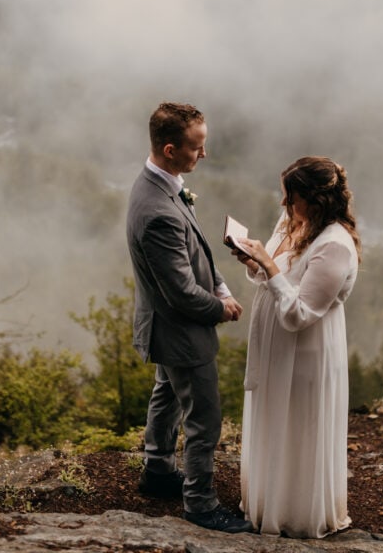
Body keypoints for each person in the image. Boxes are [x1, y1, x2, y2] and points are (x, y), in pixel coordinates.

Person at [125, 102, 253, 534]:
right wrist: (222, 308)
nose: (205, 154)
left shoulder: (162, 183)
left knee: (165, 394)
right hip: (179, 329)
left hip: (164, 325)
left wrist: (221, 285)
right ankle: (200, 503)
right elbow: (179, 292)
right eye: (197, 147)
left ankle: (157, 470)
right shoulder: (158, 211)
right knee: (204, 418)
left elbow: (196, 249)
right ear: (168, 148)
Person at [229, 156, 361, 538]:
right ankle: (267, 500)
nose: (285, 205)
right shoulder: (291, 221)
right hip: (276, 347)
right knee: (273, 418)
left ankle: (295, 512)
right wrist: (254, 261)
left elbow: (301, 313)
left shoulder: (334, 244)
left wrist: (269, 266)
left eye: (291, 198)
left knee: (298, 424)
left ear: (315, 199)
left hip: (306, 352)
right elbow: (270, 276)